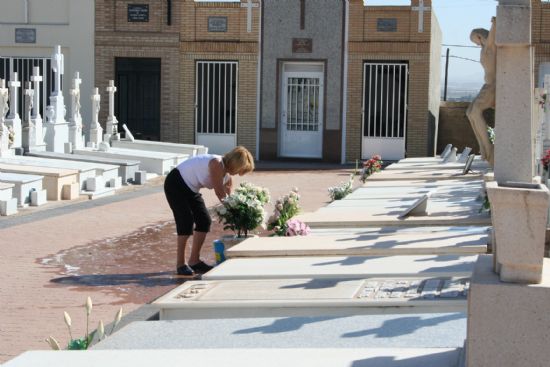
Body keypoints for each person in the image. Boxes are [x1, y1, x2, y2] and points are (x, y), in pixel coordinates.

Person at [163, 146, 255, 276]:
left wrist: (238, 210)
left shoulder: (227, 176)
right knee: (185, 221)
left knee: (204, 220)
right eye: (241, 169)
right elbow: (220, 193)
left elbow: (229, 197)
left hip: (191, 189)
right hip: (176, 183)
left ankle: (194, 261)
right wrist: (234, 211)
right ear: (235, 164)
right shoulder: (217, 163)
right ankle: (180, 264)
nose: (240, 173)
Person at [466, 16, 496, 166]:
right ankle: (483, 145)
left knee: (476, 111)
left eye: (475, 41)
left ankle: (488, 146)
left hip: (493, 86)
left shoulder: (490, 46)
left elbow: (491, 37)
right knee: (469, 112)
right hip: (487, 85)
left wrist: (494, 23)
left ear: (479, 36)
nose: (476, 44)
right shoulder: (485, 48)